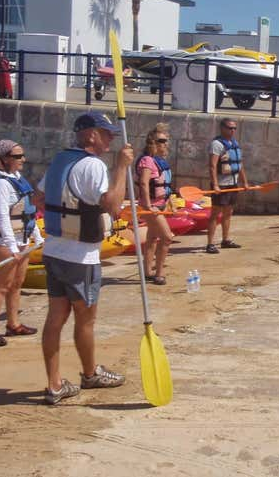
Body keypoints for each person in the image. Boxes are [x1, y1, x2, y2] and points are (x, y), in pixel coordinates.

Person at [34, 111, 133, 405]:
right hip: (81, 258)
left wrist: (64, 215)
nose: (111, 138)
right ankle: (90, 375)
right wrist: (121, 168)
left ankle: (54, 385)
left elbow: (39, 198)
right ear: (90, 134)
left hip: (53, 251)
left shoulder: (60, 160)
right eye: (106, 133)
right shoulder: (93, 166)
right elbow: (114, 207)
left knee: (55, 318)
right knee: (85, 320)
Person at [0, 139, 43, 347]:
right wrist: (11, 246)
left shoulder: (16, 178)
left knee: (17, 284)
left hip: (23, 240)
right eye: (18, 156)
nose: (23, 160)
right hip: (4, 243)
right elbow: (2, 217)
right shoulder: (0, 184)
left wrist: (36, 235)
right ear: (4, 159)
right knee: (1, 287)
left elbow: (26, 211)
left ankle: (13, 324)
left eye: (22, 155)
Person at [135, 123, 174, 285]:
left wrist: (170, 202)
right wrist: (148, 205)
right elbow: (144, 184)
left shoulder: (159, 161)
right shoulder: (147, 161)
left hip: (160, 205)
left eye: (166, 141)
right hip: (151, 207)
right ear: (152, 143)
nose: (165, 144)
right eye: (161, 141)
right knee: (167, 238)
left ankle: (147, 272)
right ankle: (159, 273)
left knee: (152, 238)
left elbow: (165, 185)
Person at [206, 118, 248, 254]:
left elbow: (240, 165)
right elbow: (212, 166)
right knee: (215, 213)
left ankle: (225, 240)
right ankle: (210, 243)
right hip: (221, 184)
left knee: (228, 213)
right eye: (230, 128)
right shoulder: (216, 144)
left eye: (234, 128)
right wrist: (215, 185)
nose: (233, 131)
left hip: (232, 183)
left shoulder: (234, 143)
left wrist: (244, 182)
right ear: (222, 128)